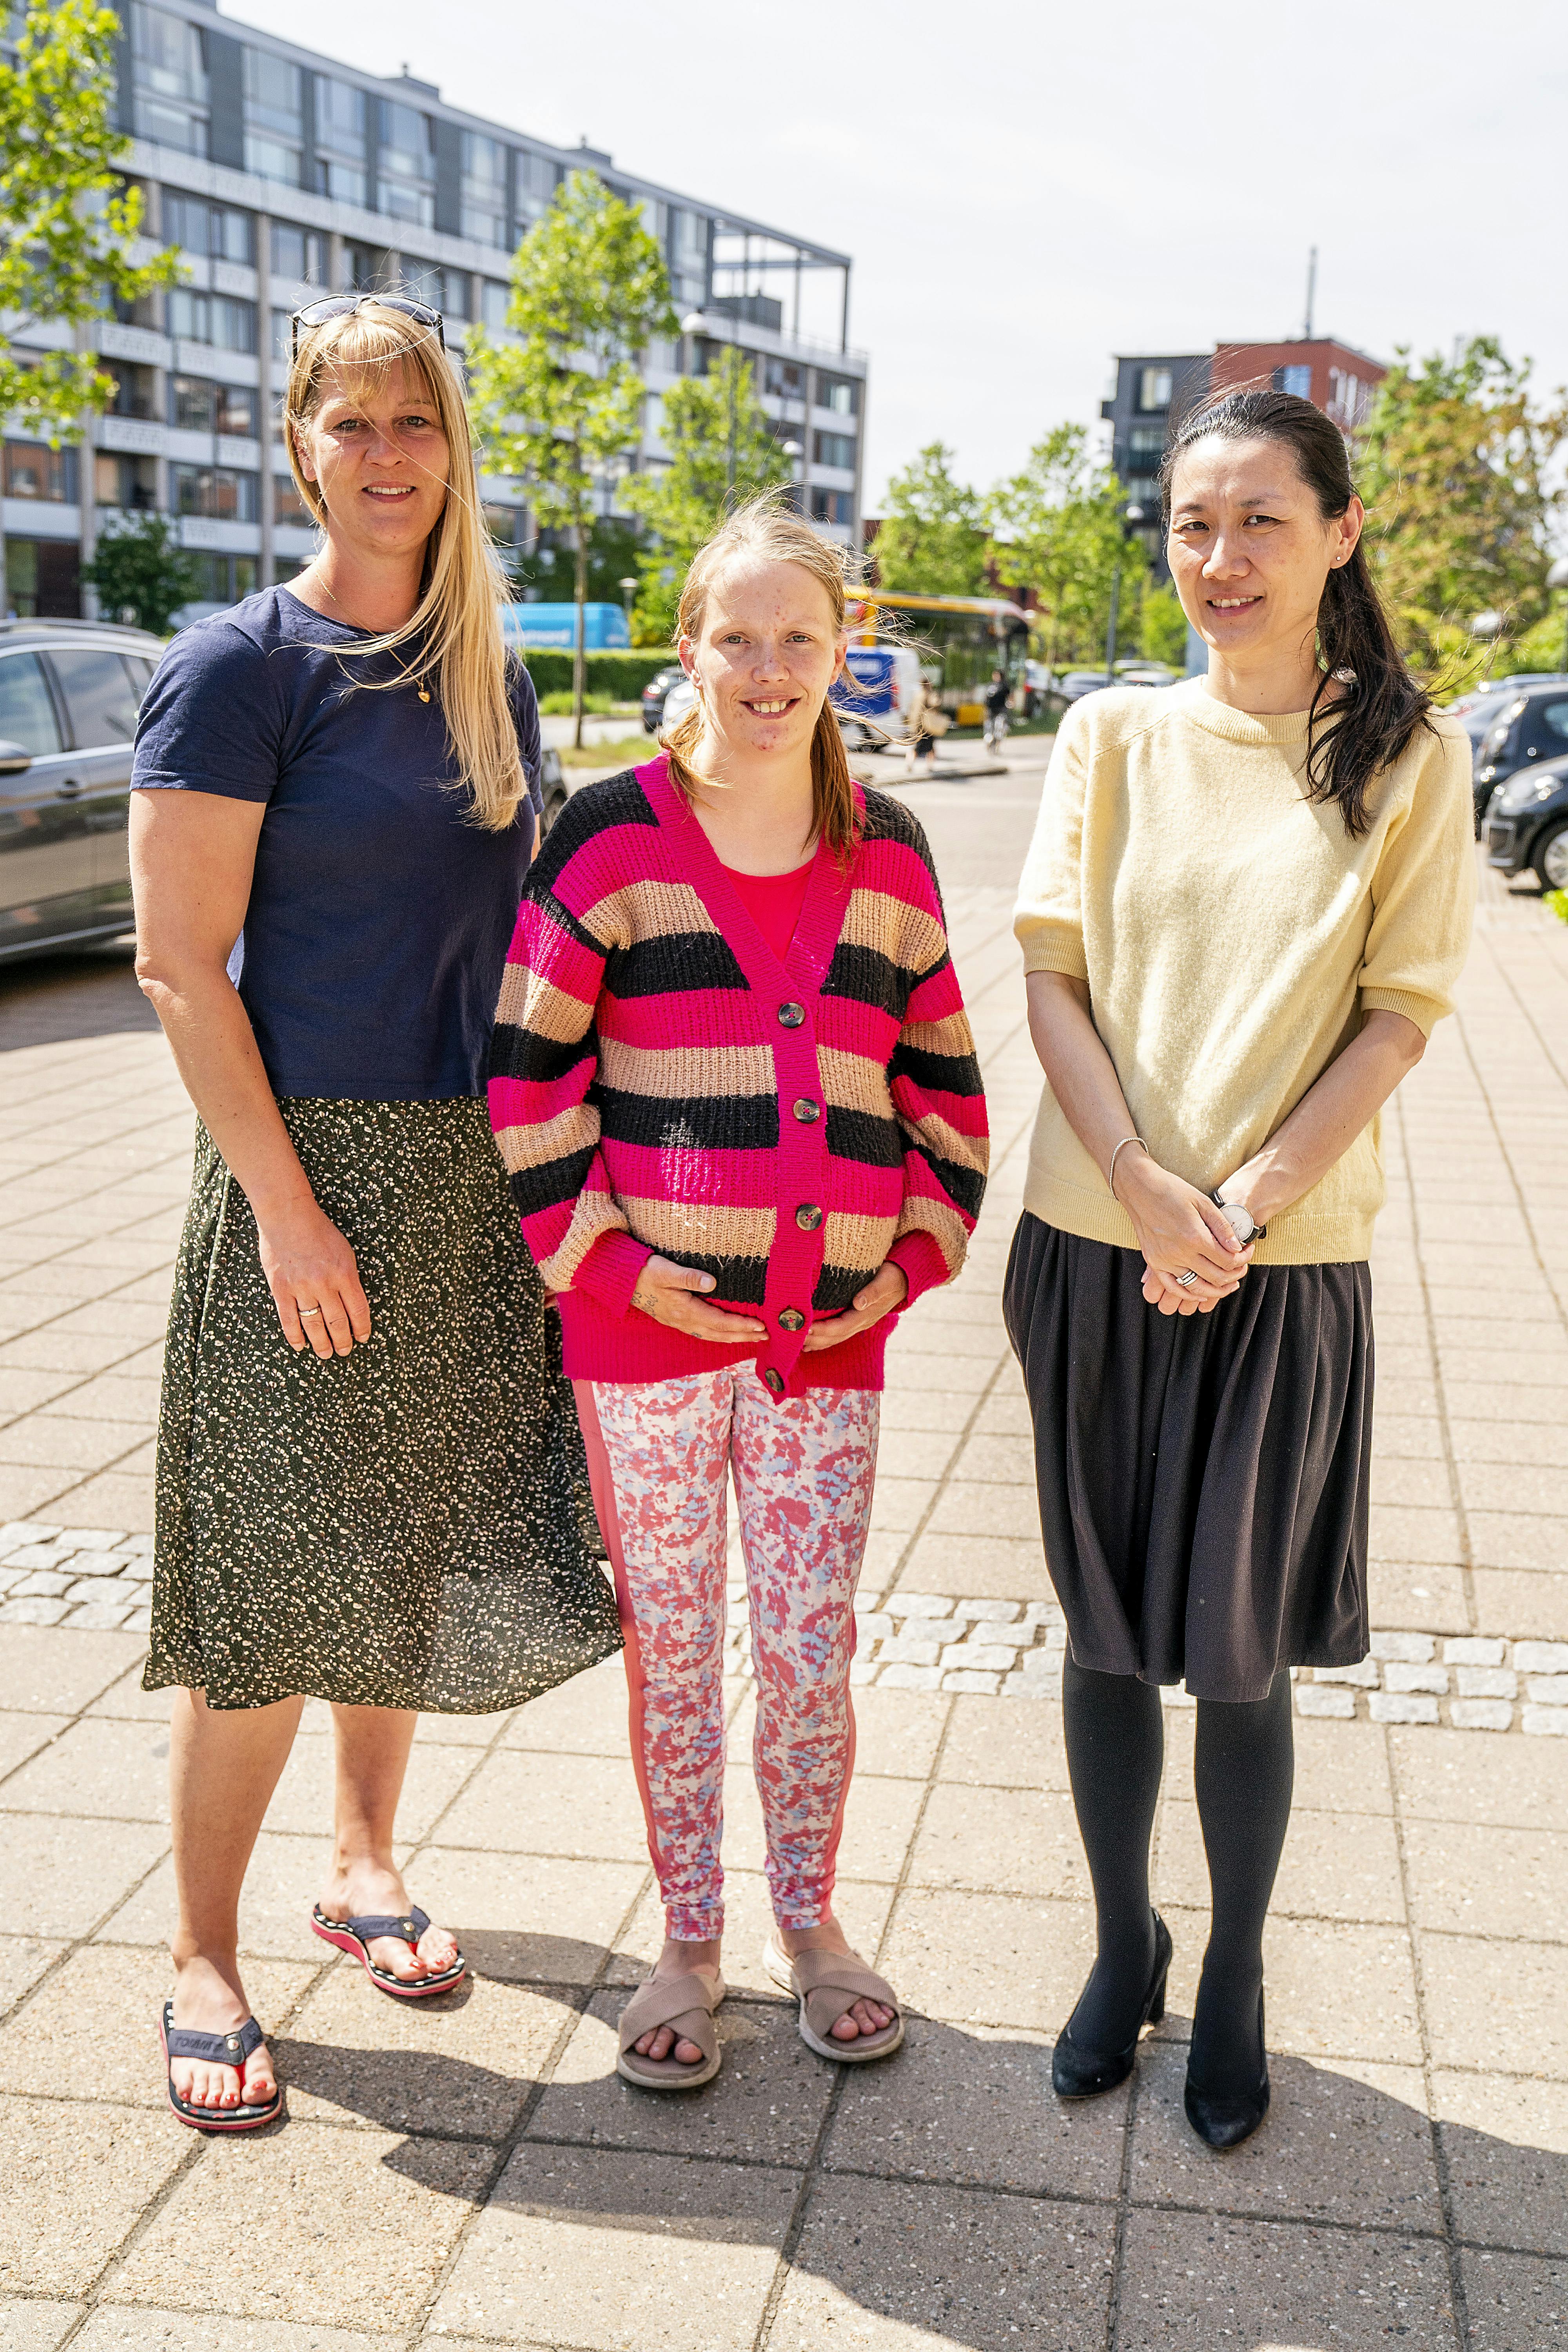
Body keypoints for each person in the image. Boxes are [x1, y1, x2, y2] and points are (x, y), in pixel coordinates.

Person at [130, 296, 621, 2132]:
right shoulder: (239, 664)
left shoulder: (482, 664)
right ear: (300, 445)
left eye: (419, 423)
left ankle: (360, 1860)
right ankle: (200, 1949)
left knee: (398, 1547)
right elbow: (181, 968)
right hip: (302, 1169)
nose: (392, 455)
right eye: (356, 424)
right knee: (265, 1581)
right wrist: (283, 1208)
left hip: (469, 1173)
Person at [1007, 387, 1473, 2149]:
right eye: (1191, 524)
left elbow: (1399, 1010)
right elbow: (1048, 974)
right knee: (1107, 1638)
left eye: (1259, 520)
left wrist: (1247, 1205)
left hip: (1280, 1268)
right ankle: (1120, 1941)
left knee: (1240, 1650)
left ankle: (1239, 1969)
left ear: (1337, 531)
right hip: (1089, 1244)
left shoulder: (1404, 760)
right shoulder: (1108, 737)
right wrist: (1138, 1183)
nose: (1218, 558)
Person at [488, 495, 989, 2088]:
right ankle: (689, 1942)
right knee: (678, 1648)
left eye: (800, 639)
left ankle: (813, 1923)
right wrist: (613, 1267)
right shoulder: (609, 836)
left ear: (845, 657)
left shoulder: (889, 852)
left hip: (825, 1350)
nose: (766, 669)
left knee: (805, 1642)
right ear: (688, 649)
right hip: (638, 1338)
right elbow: (526, 1084)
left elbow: (949, 1105)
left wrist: (899, 1268)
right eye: (736, 637)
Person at [903, 669, 945, 774]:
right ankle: (930, 766)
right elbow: (936, 704)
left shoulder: (917, 695)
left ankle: (910, 763)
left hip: (916, 725)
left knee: (916, 746)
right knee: (929, 747)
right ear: (928, 684)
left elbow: (911, 709)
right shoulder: (929, 694)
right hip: (927, 726)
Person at [983, 668, 1011, 751]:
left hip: (1001, 710)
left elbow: (1010, 696)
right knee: (989, 728)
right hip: (991, 710)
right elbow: (987, 698)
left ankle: (997, 745)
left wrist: (1011, 703)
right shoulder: (990, 685)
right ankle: (990, 744)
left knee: (999, 728)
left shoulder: (1004, 686)